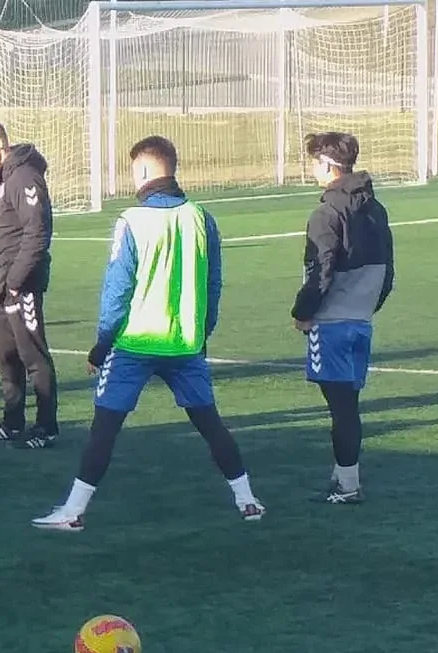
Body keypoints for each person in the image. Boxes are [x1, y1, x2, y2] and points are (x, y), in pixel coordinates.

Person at [32, 136, 264, 532]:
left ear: (142, 170)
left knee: (105, 428)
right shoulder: (202, 218)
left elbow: (117, 289)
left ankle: (73, 511)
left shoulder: (132, 221)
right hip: (185, 344)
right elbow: (213, 284)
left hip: (134, 344)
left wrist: (101, 344)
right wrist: (201, 333)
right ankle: (248, 501)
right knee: (210, 424)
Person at [292, 131, 393, 505]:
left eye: (314, 163)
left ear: (327, 165)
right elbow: (388, 271)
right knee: (347, 403)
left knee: (342, 409)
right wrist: (367, 306)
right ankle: (342, 476)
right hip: (361, 320)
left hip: (332, 323)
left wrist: (303, 313)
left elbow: (320, 270)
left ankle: (348, 486)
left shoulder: (326, 213)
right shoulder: (375, 208)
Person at [0, 119, 59, 449]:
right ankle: (13, 421)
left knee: (33, 356)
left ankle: (46, 427)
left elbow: (38, 233)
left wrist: (16, 281)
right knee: (6, 356)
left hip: (20, 286)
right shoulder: (2, 178)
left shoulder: (24, 177)